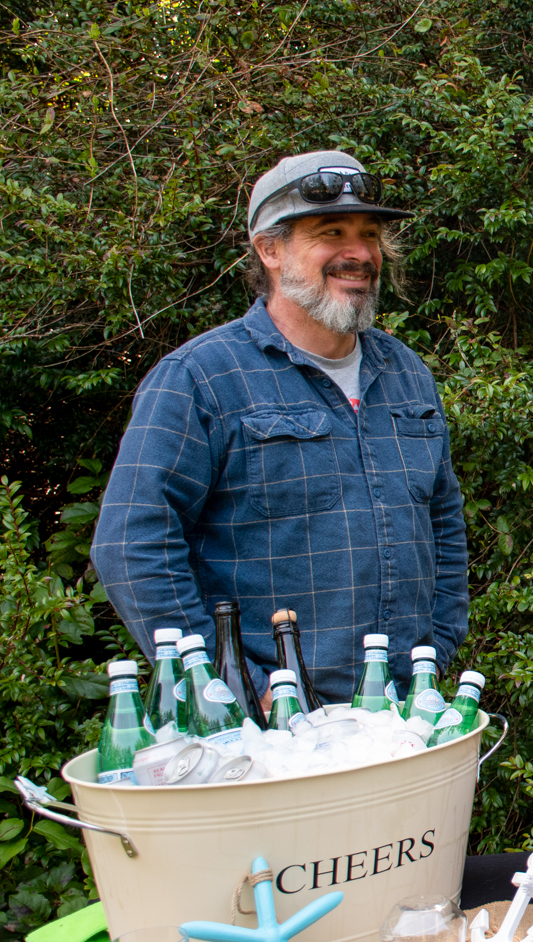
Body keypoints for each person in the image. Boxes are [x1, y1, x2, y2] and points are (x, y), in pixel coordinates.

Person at [92, 150, 469, 705]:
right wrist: (229, 683)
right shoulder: (201, 378)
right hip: (269, 727)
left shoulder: (406, 373)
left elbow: (444, 522)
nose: (359, 253)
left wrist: (436, 649)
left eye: (369, 234)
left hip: (405, 710)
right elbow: (131, 542)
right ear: (269, 249)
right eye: (331, 232)